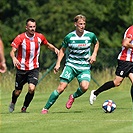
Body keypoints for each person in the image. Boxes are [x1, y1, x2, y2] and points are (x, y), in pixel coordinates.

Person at [41, 14, 99, 114]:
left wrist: (94, 54)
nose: (82, 26)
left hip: (84, 66)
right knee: (61, 88)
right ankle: (45, 108)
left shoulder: (90, 35)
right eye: (80, 24)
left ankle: (73, 96)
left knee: (85, 87)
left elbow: (97, 43)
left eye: (84, 24)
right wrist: (58, 63)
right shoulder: (69, 37)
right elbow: (62, 50)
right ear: (75, 24)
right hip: (71, 66)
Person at [9, 18, 59, 113]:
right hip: (21, 68)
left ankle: (24, 107)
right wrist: (13, 58)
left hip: (34, 68)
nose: (32, 28)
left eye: (34, 26)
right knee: (17, 91)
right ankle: (13, 102)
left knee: (31, 88)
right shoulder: (20, 38)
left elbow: (47, 44)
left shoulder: (40, 37)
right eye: (30, 27)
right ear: (26, 27)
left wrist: (55, 49)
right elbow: (12, 51)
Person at [89, 25, 133, 105]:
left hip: (132, 61)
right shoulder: (131, 29)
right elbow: (125, 43)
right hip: (125, 60)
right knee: (117, 82)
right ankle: (95, 92)